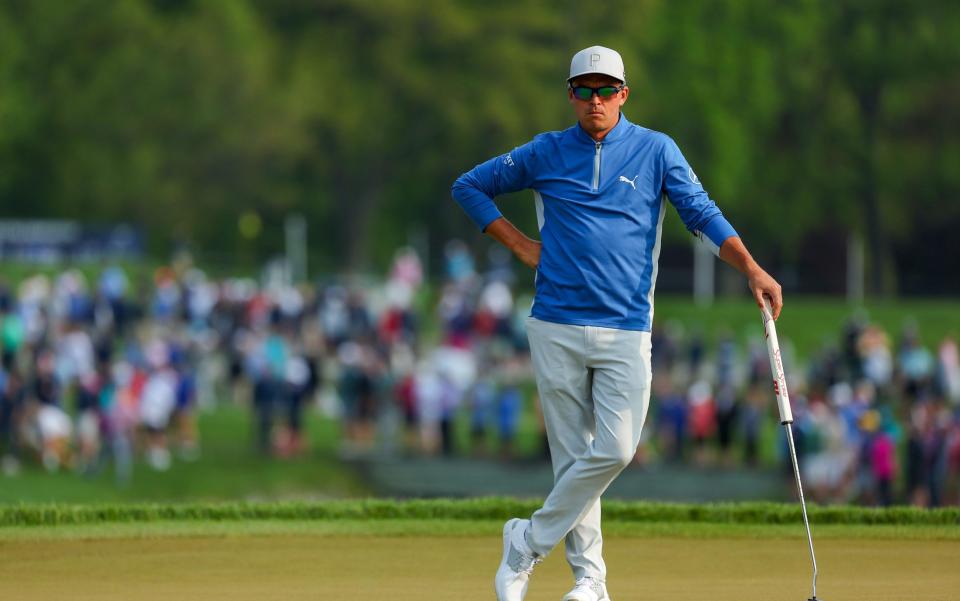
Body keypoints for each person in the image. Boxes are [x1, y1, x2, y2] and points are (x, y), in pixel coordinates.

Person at [451, 46, 783, 601]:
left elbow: (699, 212)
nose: (596, 101)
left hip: (626, 325)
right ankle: (590, 582)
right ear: (571, 95)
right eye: (585, 90)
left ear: (624, 94)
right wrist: (517, 243)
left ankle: (525, 542)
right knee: (571, 455)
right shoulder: (545, 151)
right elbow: (469, 185)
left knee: (616, 449)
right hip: (555, 321)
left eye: (606, 90)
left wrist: (750, 266)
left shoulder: (656, 150)